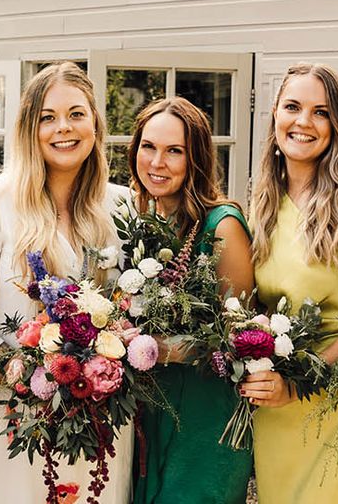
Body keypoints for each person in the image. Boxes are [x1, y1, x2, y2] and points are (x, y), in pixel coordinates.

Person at [0, 62, 133, 503]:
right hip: (11, 419)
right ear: (29, 128)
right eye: (47, 117)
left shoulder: (122, 204)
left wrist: (95, 372)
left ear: (95, 123)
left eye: (76, 114)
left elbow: (133, 307)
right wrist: (30, 381)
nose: (63, 128)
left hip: (98, 419)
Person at [241, 62, 338, 504]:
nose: (303, 122)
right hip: (275, 410)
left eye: (321, 112)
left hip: (334, 406)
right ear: (274, 113)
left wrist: (298, 383)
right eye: (293, 106)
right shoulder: (265, 198)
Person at [128, 97, 254, 504]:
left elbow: (242, 339)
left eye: (174, 151)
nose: (157, 162)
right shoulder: (139, 224)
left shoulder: (223, 227)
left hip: (204, 419)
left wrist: (161, 348)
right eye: (148, 147)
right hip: (149, 409)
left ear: (195, 158)